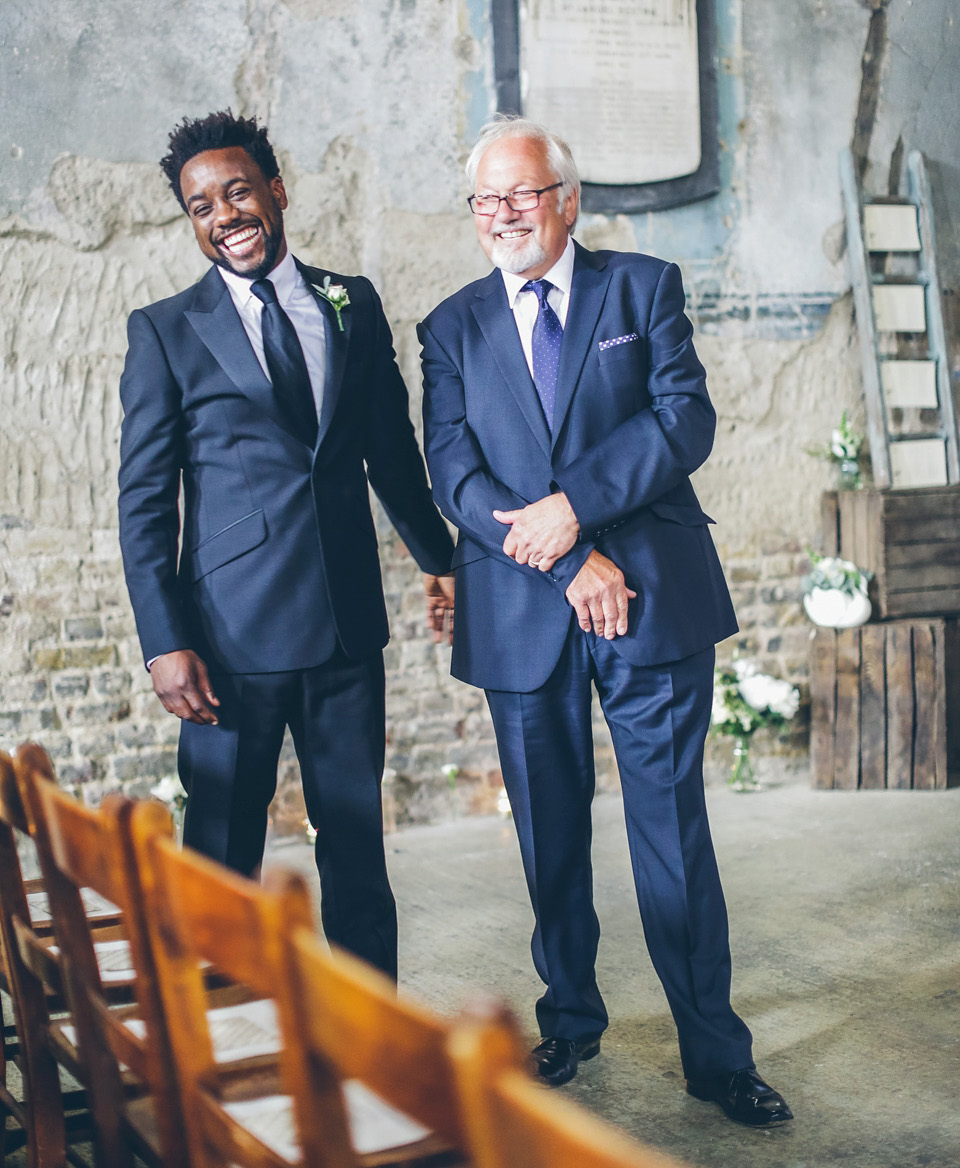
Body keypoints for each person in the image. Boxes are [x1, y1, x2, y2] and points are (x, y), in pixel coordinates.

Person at [418, 117, 791, 1126]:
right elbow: (454, 472)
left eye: (522, 196)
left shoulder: (642, 290)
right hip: (522, 608)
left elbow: (684, 420)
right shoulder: (449, 328)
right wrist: (572, 555)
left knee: (672, 829)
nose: (503, 217)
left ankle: (715, 1054)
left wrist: (577, 507)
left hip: (652, 601)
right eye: (485, 201)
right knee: (547, 832)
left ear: (568, 200)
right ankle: (570, 1018)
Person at [118, 109, 454, 979]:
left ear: (276, 191)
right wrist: (165, 641)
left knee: (356, 847)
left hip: (346, 633)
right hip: (229, 640)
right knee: (224, 852)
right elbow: (145, 504)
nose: (223, 214)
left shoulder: (352, 302)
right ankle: (211, 1046)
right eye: (200, 205)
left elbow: (391, 449)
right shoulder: (164, 331)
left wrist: (439, 559)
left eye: (236, 191)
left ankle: (370, 1043)